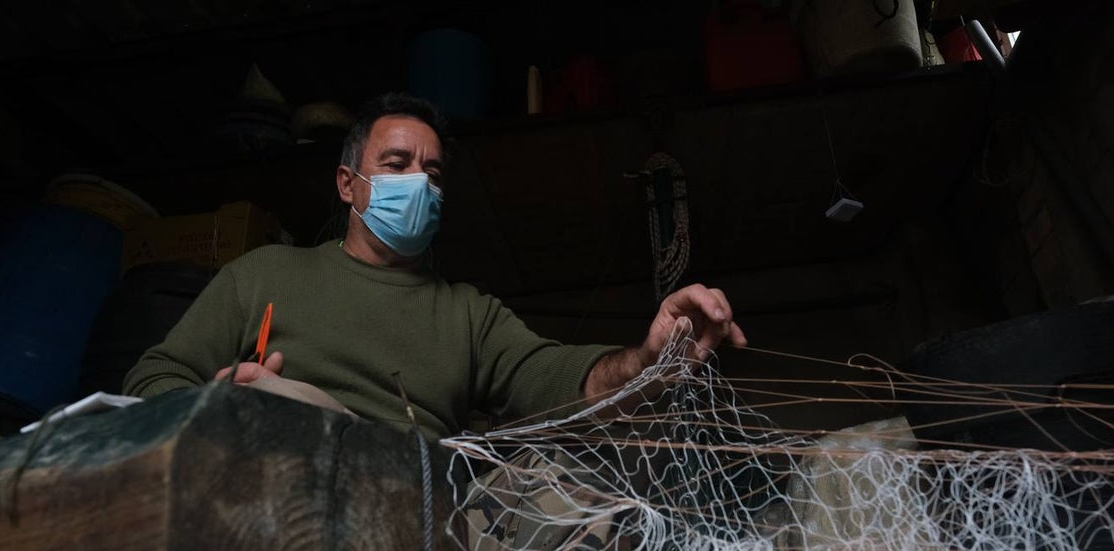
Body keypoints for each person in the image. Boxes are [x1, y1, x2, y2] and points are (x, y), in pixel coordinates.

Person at [123, 92, 747, 441]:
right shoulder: (263, 274)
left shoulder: (467, 313)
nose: (419, 183)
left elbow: (559, 383)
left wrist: (650, 360)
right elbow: (154, 374)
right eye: (396, 165)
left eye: (434, 172)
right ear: (349, 184)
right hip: (279, 469)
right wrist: (215, 405)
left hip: (422, 501)